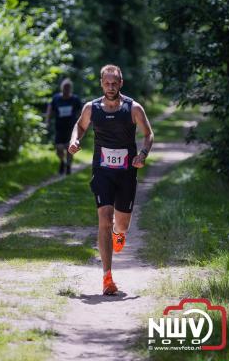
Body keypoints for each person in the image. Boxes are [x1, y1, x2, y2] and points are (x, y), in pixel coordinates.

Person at [68, 65, 154, 295]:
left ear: (121, 83)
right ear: (101, 83)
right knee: (104, 218)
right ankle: (107, 277)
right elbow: (79, 126)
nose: (111, 87)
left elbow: (148, 134)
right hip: (102, 171)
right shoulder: (92, 107)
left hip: (126, 172)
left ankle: (120, 233)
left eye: (114, 83)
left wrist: (142, 155)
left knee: (121, 225)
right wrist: (75, 140)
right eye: (107, 83)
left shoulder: (133, 108)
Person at [46, 78, 82, 175]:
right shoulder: (56, 98)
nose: (66, 90)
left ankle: (68, 166)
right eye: (65, 88)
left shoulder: (75, 99)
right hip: (59, 128)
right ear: (62, 88)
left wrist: (82, 125)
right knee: (59, 148)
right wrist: (47, 121)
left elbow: (81, 113)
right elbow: (50, 109)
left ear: (71, 89)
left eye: (68, 88)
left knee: (70, 148)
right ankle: (62, 161)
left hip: (71, 129)